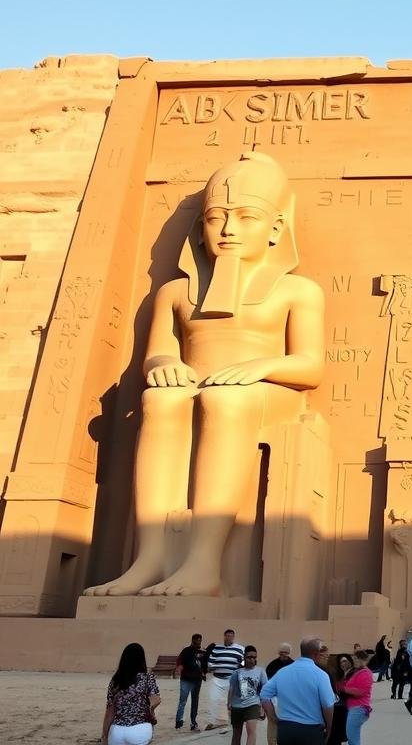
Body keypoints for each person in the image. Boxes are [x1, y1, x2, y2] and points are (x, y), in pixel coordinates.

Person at [84, 152, 326, 600]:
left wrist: (260, 367)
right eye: (217, 218)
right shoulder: (176, 292)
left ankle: (203, 563)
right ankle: (150, 556)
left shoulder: (296, 291)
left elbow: (309, 365)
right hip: (201, 384)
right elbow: (157, 353)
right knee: (161, 400)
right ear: (201, 229)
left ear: (275, 229)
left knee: (226, 400)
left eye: (246, 217)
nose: (229, 230)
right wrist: (163, 366)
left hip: (267, 392)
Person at [259, 636, 335, 745]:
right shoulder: (320, 675)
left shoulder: (282, 672)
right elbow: (327, 704)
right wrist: (329, 726)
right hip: (311, 729)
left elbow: (264, 695)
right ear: (316, 653)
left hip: (286, 729)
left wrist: (274, 718)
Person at [102, 643, 161, 745]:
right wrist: (150, 709)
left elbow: (110, 712)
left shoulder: (116, 680)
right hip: (140, 729)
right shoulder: (147, 677)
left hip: (117, 731)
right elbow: (156, 699)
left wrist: (105, 735)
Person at [206, 629, 245, 729]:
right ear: (224, 636)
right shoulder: (217, 648)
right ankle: (212, 722)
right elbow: (210, 662)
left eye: (231, 636)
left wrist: (239, 668)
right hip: (217, 678)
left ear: (233, 637)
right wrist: (212, 666)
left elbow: (244, 662)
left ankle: (233, 721)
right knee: (213, 699)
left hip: (231, 679)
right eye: (227, 636)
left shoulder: (240, 649)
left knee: (233, 701)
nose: (229, 638)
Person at [228, 646, 268, 745]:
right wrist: (229, 703)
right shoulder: (237, 673)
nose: (252, 659)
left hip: (253, 704)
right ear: (244, 657)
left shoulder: (260, 671)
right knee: (237, 733)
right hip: (237, 705)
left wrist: (263, 707)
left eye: (254, 657)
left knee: (251, 730)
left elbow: (265, 689)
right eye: (249, 657)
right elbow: (232, 688)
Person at [174, 632, 206, 731]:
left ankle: (193, 722)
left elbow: (204, 664)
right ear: (192, 641)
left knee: (195, 702)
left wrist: (204, 672)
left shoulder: (202, 652)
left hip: (197, 680)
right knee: (183, 701)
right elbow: (179, 661)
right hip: (186, 679)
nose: (198, 642)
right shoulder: (186, 650)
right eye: (197, 640)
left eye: (200, 640)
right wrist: (179, 668)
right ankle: (179, 721)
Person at [341, 650, 373, 745]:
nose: (354, 661)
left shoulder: (365, 673)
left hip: (358, 708)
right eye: (353, 659)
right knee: (352, 737)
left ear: (363, 660)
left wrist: (342, 688)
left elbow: (360, 692)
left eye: (356, 659)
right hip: (354, 708)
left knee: (353, 739)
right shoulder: (356, 672)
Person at [266, 644, 293, 745]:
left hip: (289, 699)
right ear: (279, 653)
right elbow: (268, 683)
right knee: (273, 723)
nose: (284, 655)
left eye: (286, 652)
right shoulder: (272, 665)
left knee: (287, 723)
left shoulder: (293, 665)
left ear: (289, 653)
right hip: (274, 698)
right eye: (282, 652)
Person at [326, 655, 352, 745]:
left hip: (348, 705)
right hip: (339, 706)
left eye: (345, 661)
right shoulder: (336, 674)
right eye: (341, 662)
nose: (343, 663)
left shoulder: (352, 673)